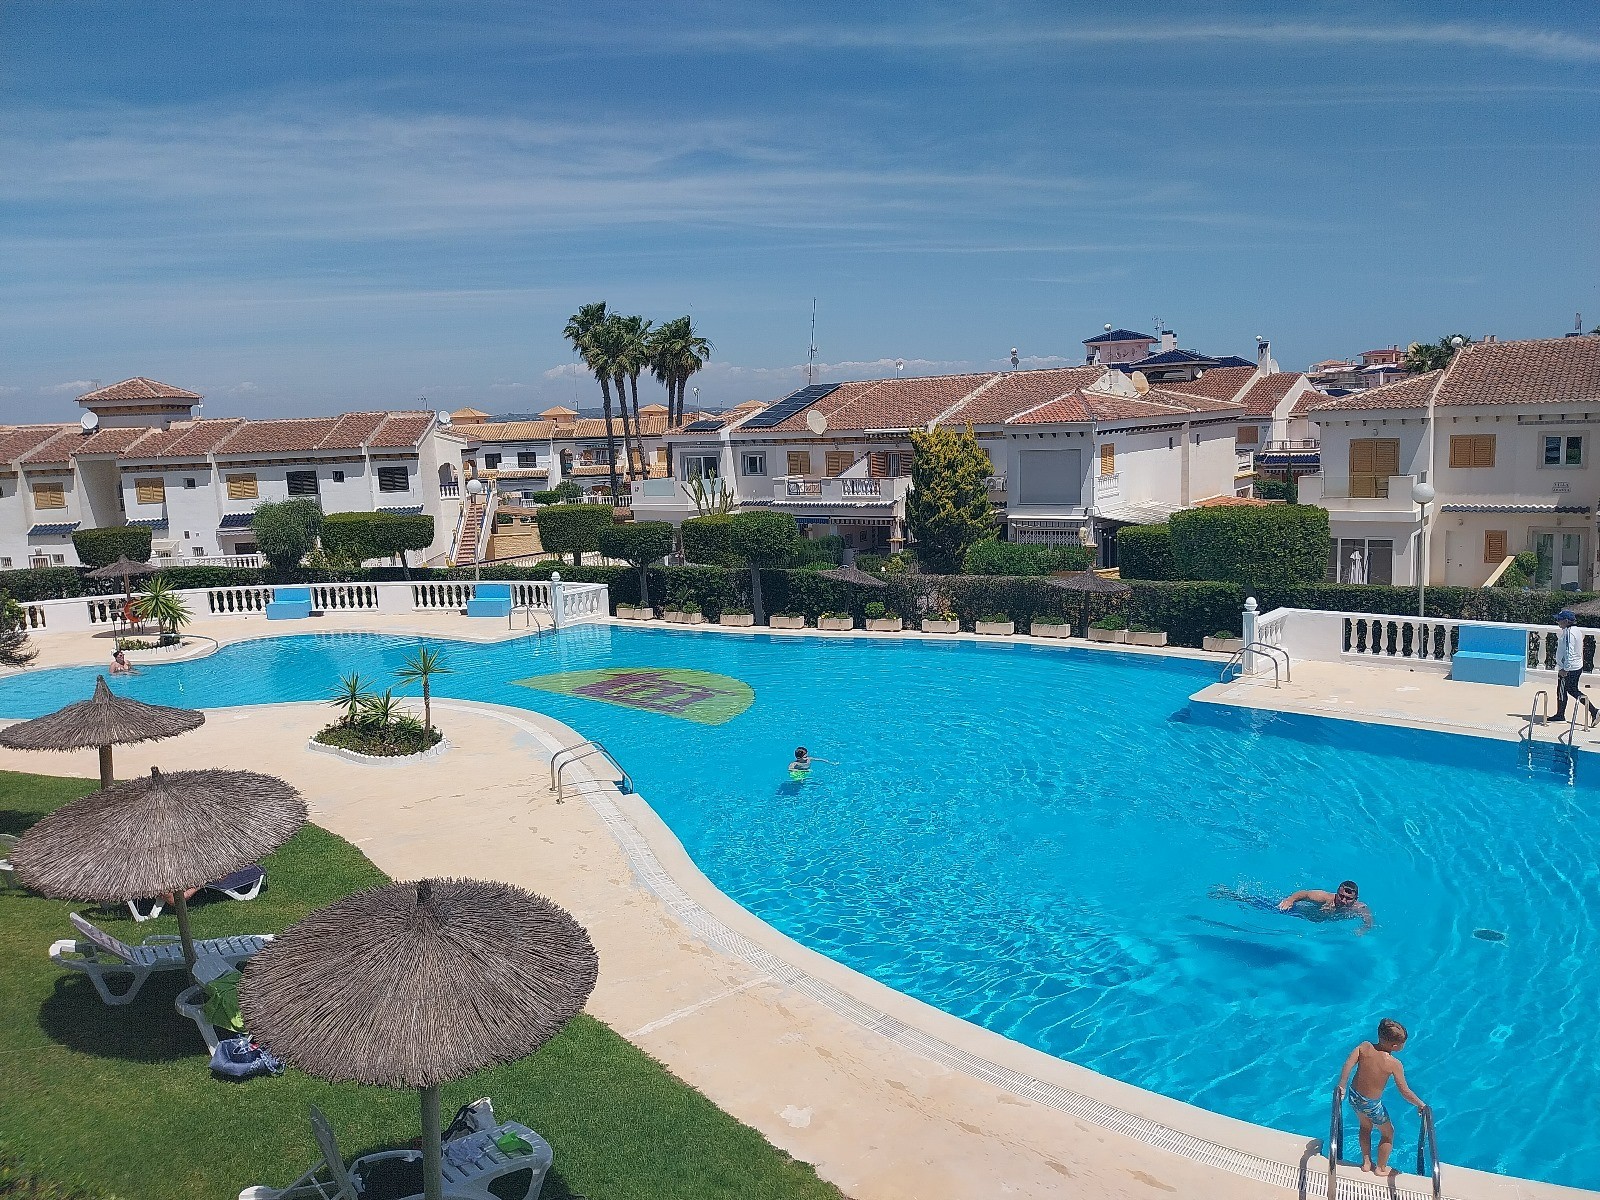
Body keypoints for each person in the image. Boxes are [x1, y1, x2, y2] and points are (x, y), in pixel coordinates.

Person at [1337, 1018, 1426, 1176]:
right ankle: (1381, 1168)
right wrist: (1420, 1104)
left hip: (1354, 1096)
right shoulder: (1394, 1063)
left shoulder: (1365, 1046)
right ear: (1395, 1046)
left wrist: (1342, 1086)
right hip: (1372, 1105)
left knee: (1365, 1127)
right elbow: (1404, 1091)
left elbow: (1348, 1064)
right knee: (1388, 1133)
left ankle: (1366, 1163)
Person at [1552, 609, 1597, 725]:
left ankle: (1560, 715)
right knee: (1572, 690)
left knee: (1562, 690)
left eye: (1559, 620)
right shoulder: (1576, 630)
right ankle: (1593, 711)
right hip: (1576, 666)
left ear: (1566, 621)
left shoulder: (1569, 633)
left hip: (1569, 668)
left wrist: (1565, 669)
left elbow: (1569, 652)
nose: (1558, 622)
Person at [1278, 880, 1373, 931]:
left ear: (1356, 899)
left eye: (1348, 898)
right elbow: (1305, 894)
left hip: (1316, 925)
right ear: (1337, 893)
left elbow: (1369, 922)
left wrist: (1362, 930)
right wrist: (1290, 900)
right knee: (1278, 908)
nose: (1343, 901)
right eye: (1341, 896)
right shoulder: (1324, 897)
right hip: (1299, 911)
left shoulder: (1359, 908)